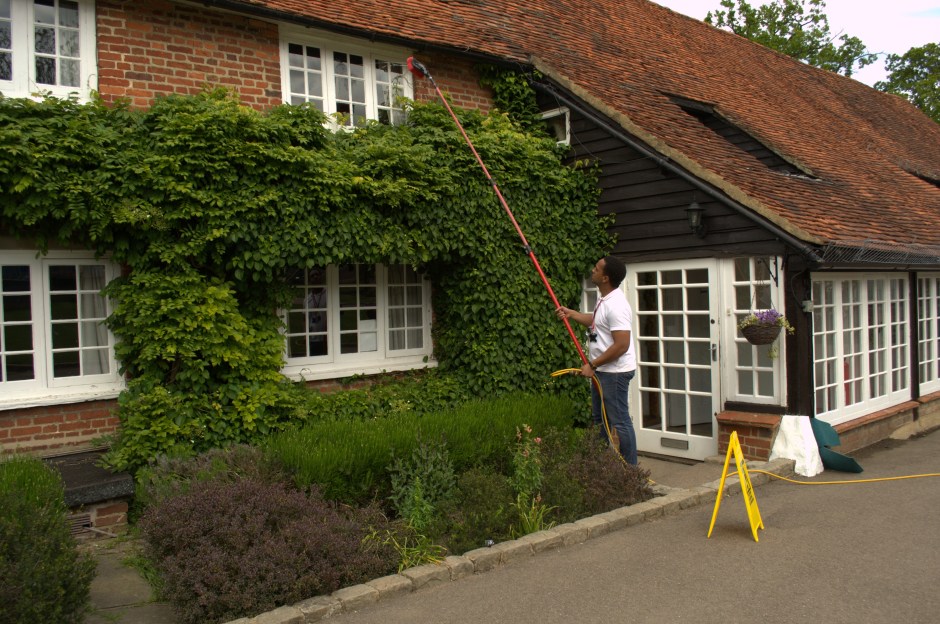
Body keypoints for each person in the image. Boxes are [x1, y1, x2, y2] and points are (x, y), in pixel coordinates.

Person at [556, 256, 638, 464]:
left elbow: (622, 344)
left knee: (620, 422)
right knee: (600, 420)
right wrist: (573, 314)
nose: (593, 270)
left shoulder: (617, 305)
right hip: (603, 372)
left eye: (597, 269)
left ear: (605, 278)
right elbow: (597, 322)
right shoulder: (605, 299)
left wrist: (592, 365)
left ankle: (631, 472)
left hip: (615, 373)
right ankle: (601, 467)